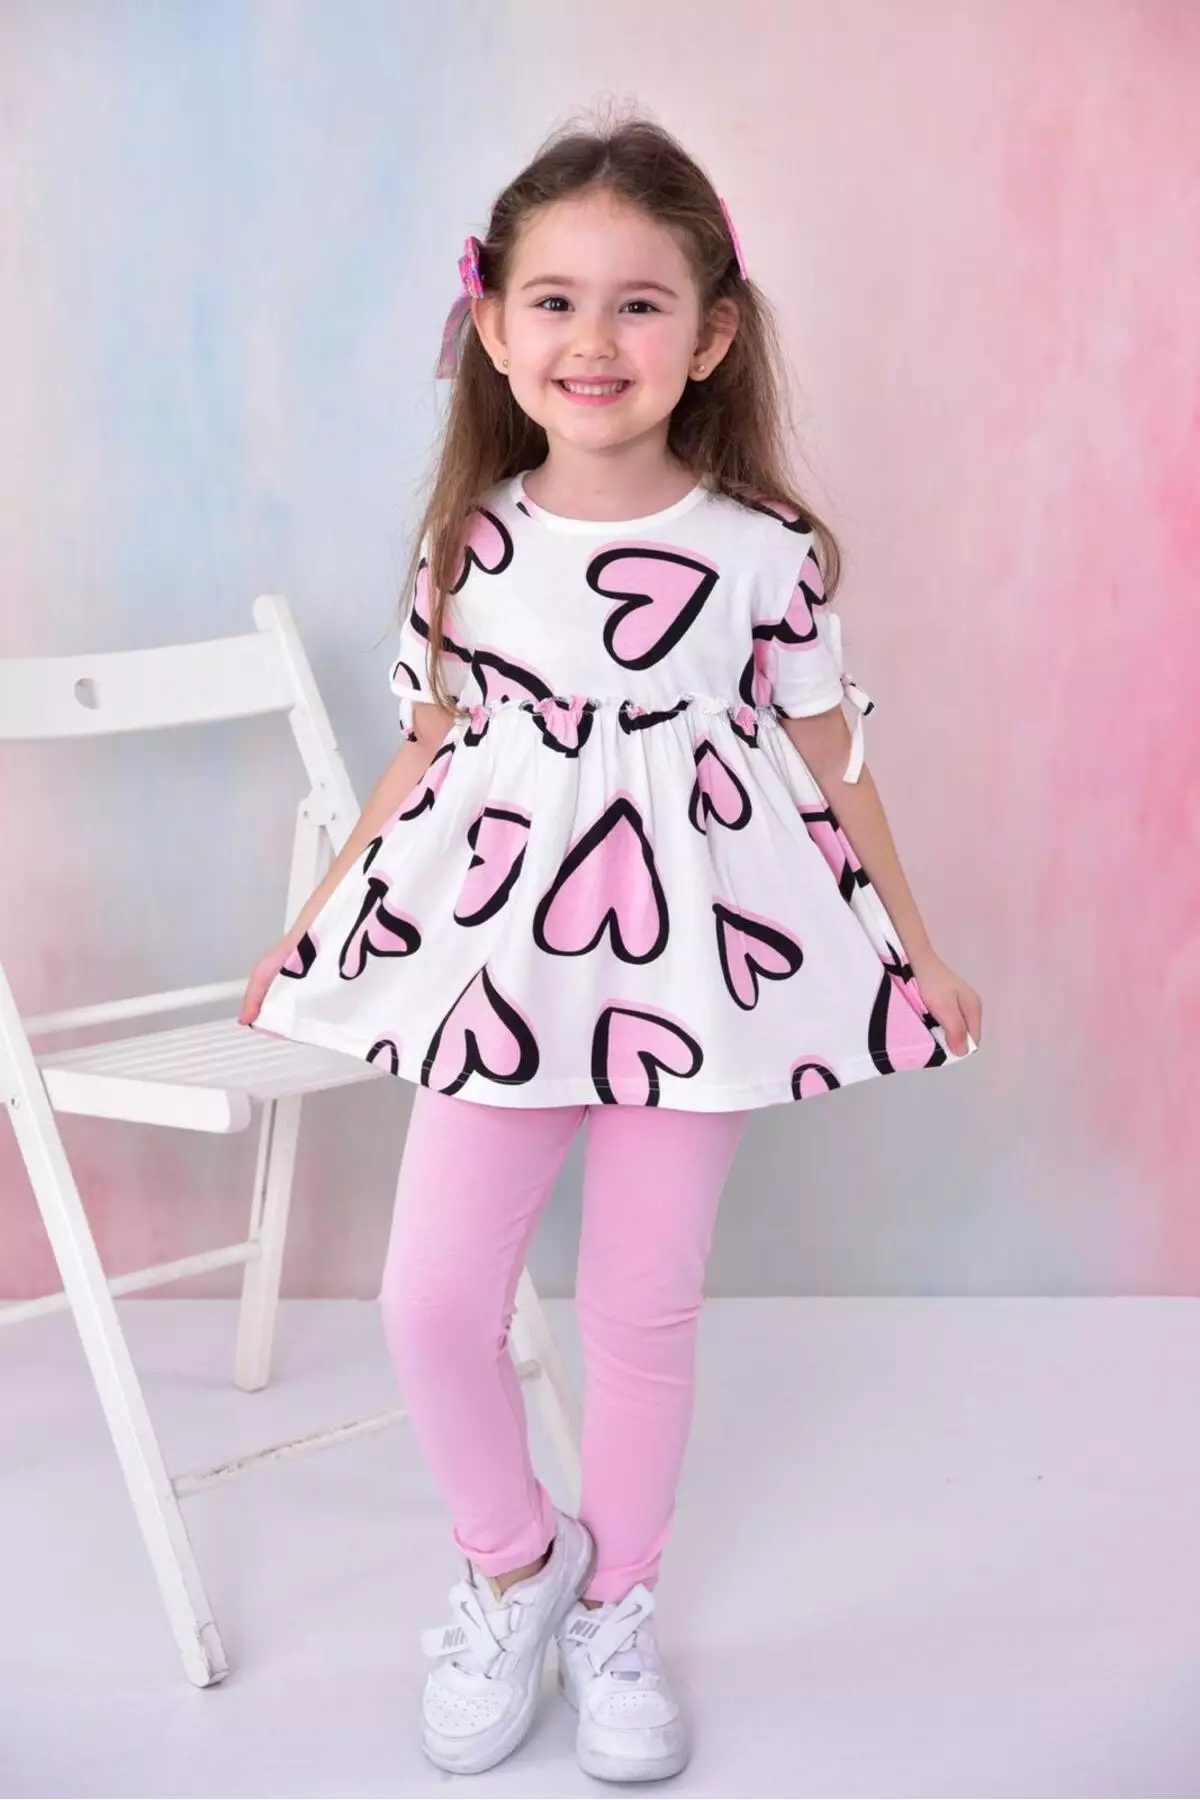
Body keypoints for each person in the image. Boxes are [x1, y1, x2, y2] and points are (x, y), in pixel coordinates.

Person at [239, 111, 982, 1784]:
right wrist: (315, 924)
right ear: (495, 331)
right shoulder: (469, 549)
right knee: (432, 1300)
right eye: (555, 302)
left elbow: (833, 759)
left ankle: (618, 1602)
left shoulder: (762, 556)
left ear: (710, 335)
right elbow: (423, 754)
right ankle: (516, 1563)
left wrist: (917, 952)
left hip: (697, 981)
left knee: (643, 1306)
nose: (595, 340)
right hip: (503, 971)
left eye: (640, 303)